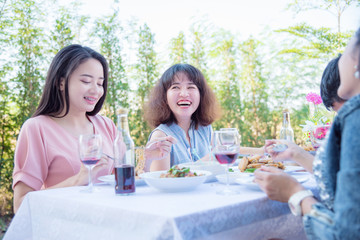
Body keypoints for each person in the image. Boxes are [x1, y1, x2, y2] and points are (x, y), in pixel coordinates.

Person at [254, 28, 360, 239]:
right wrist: (297, 153)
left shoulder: (355, 118)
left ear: (356, 60)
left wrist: (296, 195)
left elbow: (346, 234)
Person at [12, 44, 123, 213]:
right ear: (61, 82)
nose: (96, 90)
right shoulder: (37, 129)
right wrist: (77, 180)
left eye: (100, 83)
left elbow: (125, 181)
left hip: (111, 220)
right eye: (86, 81)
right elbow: (20, 204)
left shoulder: (107, 126)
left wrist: (149, 157)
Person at [143, 63, 221, 171]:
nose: (184, 94)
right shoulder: (160, 136)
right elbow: (161, 182)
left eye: (191, 87)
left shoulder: (205, 129)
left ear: (201, 95)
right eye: (175, 87)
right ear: (164, 96)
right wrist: (210, 158)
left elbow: (226, 153)